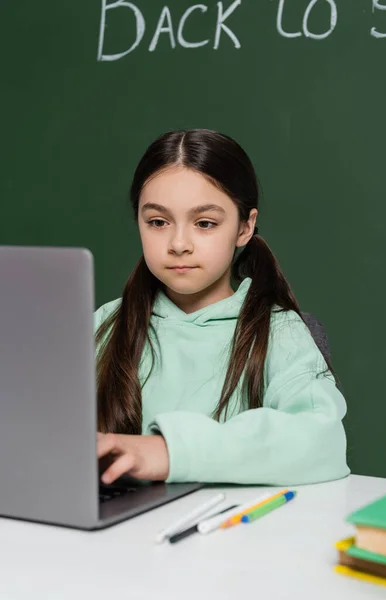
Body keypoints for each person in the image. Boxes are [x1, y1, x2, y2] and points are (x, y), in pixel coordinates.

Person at [94, 129, 349, 487]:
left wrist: (168, 452)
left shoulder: (278, 331)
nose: (178, 243)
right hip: (111, 534)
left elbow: (323, 441)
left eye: (205, 223)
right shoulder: (103, 325)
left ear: (245, 227)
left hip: (232, 534)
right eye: (157, 222)